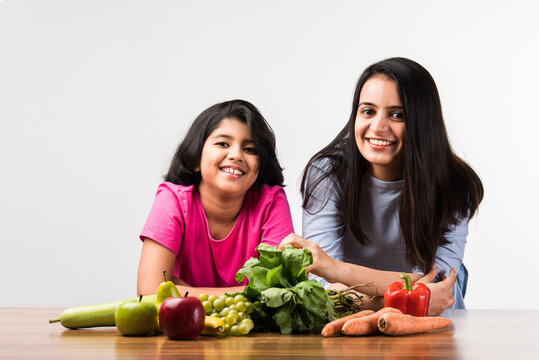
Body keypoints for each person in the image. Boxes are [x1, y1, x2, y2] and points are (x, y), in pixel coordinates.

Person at [280, 57, 483, 315]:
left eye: (397, 115)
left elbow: (440, 289)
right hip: (352, 318)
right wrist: (402, 298)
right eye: (368, 111)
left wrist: (337, 269)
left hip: (428, 322)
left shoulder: (455, 184)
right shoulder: (328, 174)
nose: (377, 127)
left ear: (422, 122)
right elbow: (321, 286)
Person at [137, 99, 294, 297]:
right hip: (181, 326)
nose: (236, 155)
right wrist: (250, 293)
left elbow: (279, 293)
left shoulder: (271, 201)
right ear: (195, 158)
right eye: (222, 143)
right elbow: (149, 292)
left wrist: (180, 289)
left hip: (254, 329)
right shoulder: (173, 199)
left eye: (250, 149)